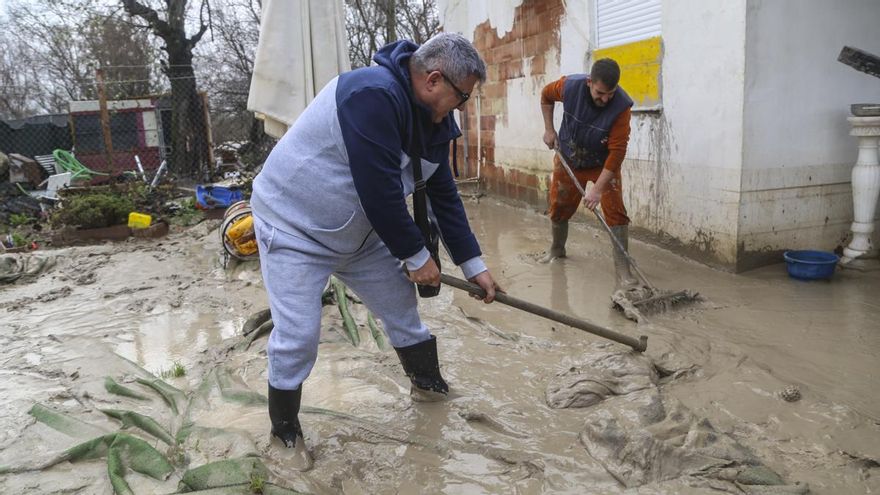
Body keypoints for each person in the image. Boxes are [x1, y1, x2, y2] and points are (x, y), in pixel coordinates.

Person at [250, 33, 501, 469]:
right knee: (298, 336)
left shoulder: (433, 123)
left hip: (363, 236)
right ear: (433, 80)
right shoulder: (369, 95)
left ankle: (430, 390)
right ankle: (285, 435)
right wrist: (416, 256)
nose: (459, 109)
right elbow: (379, 192)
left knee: (404, 314)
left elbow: (443, 193)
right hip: (293, 232)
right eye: (461, 98)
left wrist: (473, 265)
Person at [538, 58, 638, 289]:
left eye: (610, 94)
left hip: (602, 164)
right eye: (600, 93)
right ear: (589, 82)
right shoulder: (570, 86)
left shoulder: (621, 107)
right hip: (569, 159)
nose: (605, 99)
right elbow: (545, 96)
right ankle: (557, 249)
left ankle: (623, 271)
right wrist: (549, 129)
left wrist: (598, 189)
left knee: (616, 212)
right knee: (559, 205)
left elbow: (617, 152)